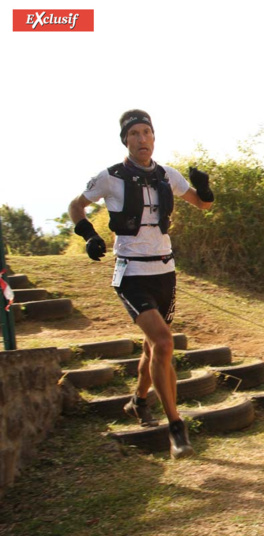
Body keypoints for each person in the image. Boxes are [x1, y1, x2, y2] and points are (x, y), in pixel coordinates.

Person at [68, 109, 214, 458]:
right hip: (131, 273)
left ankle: (138, 401)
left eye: (146, 132)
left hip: (165, 272)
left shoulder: (168, 175)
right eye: (134, 133)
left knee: (153, 348)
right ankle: (176, 429)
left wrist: (205, 186)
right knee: (164, 344)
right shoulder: (110, 177)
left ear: (154, 137)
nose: (142, 138)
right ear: (125, 140)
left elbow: (202, 204)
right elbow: (76, 206)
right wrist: (88, 235)